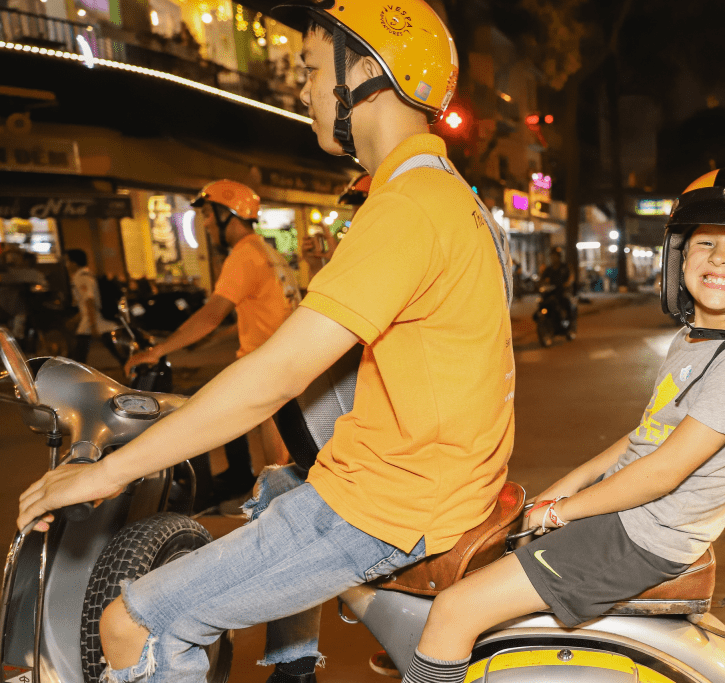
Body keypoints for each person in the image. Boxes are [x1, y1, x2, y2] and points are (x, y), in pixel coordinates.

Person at [16, 3, 514, 683]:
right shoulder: (446, 194)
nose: (302, 89)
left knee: (131, 622)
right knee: (274, 483)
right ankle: (293, 666)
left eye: (311, 70)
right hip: (426, 480)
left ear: (366, 72)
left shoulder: (408, 207)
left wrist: (105, 472)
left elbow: (275, 375)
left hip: (392, 504)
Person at [402, 167, 725, 683]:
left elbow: (663, 472)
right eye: (705, 242)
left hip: (641, 538)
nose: (721, 258)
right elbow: (647, 436)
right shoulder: (700, 338)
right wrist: (563, 489)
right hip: (634, 522)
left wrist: (559, 514)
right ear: (680, 259)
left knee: (454, 610)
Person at [124, 179, 299, 501]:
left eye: (207, 216)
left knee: (273, 461)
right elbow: (260, 311)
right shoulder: (267, 250)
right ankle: (240, 482)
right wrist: (211, 339)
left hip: (266, 368)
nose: (205, 224)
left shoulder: (243, 254)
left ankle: (272, 509)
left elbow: (211, 313)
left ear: (227, 214)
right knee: (258, 440)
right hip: (282, 361)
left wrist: (157, 350)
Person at [64, 249, 120, 364]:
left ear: (74, 263)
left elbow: (89, 300)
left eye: (67, 261)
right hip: (97, 320)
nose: (66, 265)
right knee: (113, 349)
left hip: (94, 320)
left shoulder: (81, 277)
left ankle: (77, 376)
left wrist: (93, 325)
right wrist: (77, 319)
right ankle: (131, 368)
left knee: (79, 353)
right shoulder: (89, 274)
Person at [538, 246, 574, 319]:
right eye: (552, 256)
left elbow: (571, 277)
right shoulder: (549, 269)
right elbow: (542, 279)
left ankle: (568, 319)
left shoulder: (565, 267)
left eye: (555, 256)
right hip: (551, 291)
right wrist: (541, 284)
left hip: (562, 291)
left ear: (559, 257)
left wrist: (567, 284)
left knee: (567, 302)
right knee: (541, 302)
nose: (553, 258)